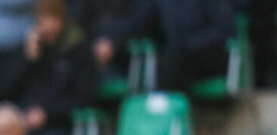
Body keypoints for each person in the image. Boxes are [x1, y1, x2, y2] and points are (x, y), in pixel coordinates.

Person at [0, 0, 97, 135]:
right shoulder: (29, 49)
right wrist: (27, 60)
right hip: (24, 121)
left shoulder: (79, 49)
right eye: (43, 19)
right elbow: (5, 89)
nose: (48, 24)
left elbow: (85, 97)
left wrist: (47, 114)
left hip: (60, 124)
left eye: (53, 18)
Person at [94, 0, 237, 92]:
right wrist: (111, 41)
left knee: (172, 59)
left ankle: (162, 110)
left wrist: (190, 45)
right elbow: (137, 21)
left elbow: (226, 30)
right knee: (159, 62)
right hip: (175, 59)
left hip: (209, 55)